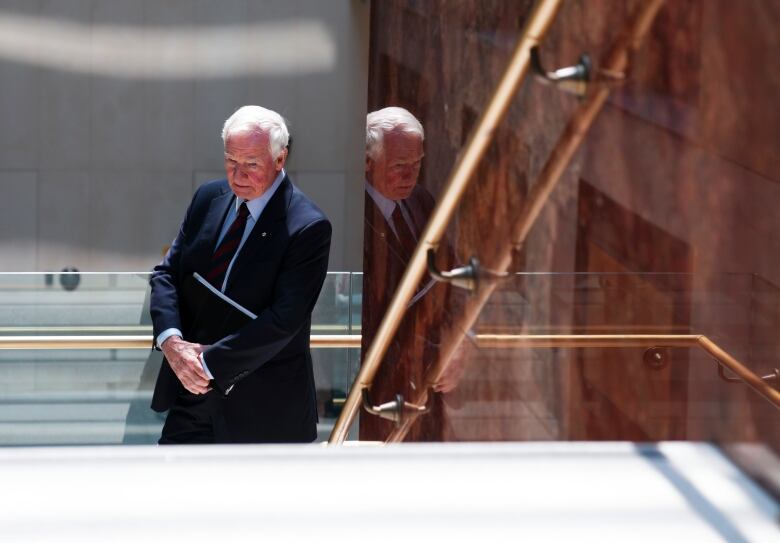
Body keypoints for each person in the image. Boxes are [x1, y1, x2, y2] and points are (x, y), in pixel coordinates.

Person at [149, 105, 331, 444]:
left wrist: (205, 365)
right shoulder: (208, 198)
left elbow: (284, 320)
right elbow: (166, 275)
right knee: (172, 493)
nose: (238, 175)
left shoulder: (308, 226)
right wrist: (172, 344)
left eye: (251, 164)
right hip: (191, 396)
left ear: (280, 159)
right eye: (231, 161)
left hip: (264, 409)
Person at [360, 107, 464, 442]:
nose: (410, 175)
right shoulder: (352, 215)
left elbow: (451, 273)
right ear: (367, 162)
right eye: (399, 166)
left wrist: (460, 339)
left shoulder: (420, 200)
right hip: (377, 386)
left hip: (429, 379)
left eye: (417, 163)